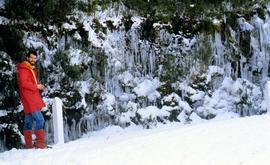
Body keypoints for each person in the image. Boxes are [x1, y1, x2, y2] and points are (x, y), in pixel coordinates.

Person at [17, 50, 46, 149]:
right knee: (40, 120)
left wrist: (39, 86)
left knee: (28, 121)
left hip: (31, 97)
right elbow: (24, 83)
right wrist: (37, 86)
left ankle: (29, 146)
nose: (33, 59)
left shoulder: (31, 68)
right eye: (31, 58)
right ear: (27, 58)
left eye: (35, 58)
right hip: (29, 98)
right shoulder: (24, 69)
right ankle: (40, 145)